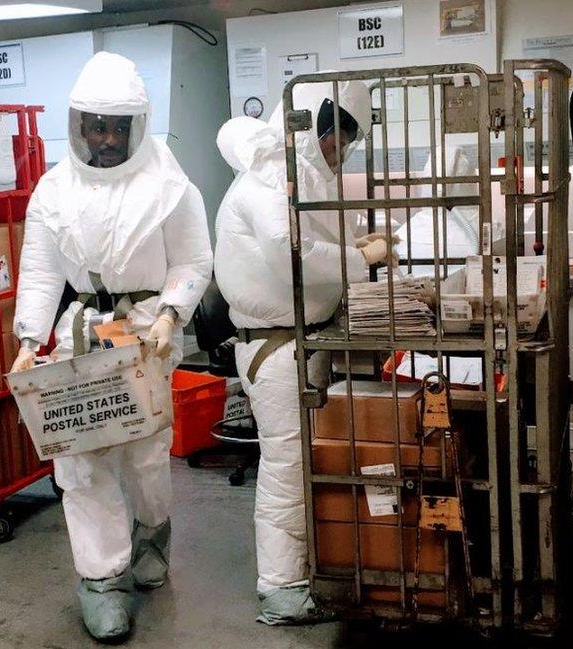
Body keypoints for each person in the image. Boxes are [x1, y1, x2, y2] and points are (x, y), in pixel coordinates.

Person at [9, 52, 213, 641]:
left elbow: (195, 260)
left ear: (135, 127)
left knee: (146, 456)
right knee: (82, 457)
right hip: (81, 332)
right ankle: (102, 579)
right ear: (77, 125)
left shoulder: (171, 188)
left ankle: (153, 536)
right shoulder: (52, 191)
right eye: (94, 125)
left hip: (146, 330)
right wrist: (30, 337)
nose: (104, 139)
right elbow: (41, 272)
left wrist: (172, 313)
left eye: (116, 127)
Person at [214, 79, 398, 625]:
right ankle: (280, 591)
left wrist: (357, 253)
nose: (337, 150)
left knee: (300, 467)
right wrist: (360, 258)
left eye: (346, 140)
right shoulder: (268, 181)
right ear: (307, 123)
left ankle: (305, 572)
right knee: (286, 470)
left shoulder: (302, 181)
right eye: (333, 137)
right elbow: (289, 254)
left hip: (302, 343)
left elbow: (318, 247)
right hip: (276, 352)